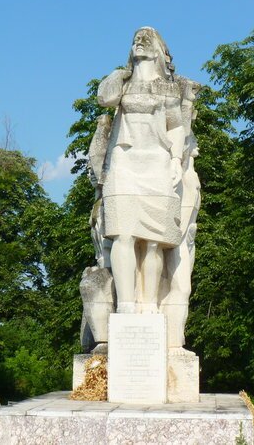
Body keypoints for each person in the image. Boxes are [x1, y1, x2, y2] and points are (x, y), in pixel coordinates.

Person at [97, 27, 189, 314]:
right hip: (124, 162)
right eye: (136, 39)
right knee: (122, 234)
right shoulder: (123, 84)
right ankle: (126, 304)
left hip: (157, 163)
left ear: (158, 49)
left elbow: (176, 126)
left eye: (146, 39)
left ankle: (149, 304)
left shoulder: (168, 88)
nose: (139, 42)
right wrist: (120, 74)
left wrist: (175, 160)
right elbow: (105, 99)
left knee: (152, 242)